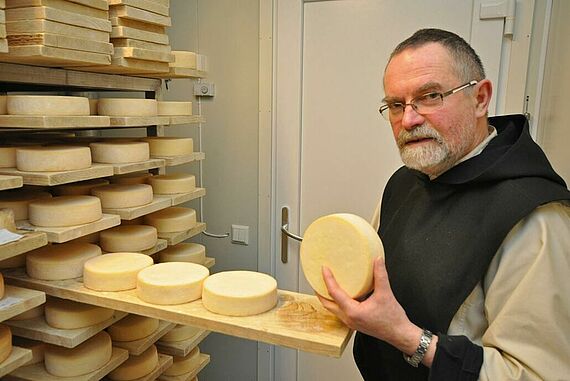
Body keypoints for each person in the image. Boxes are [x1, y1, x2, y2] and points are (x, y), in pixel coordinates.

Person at [317, 28, 570, 380]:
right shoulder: (402, 182)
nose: (408, 120)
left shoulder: (534, 217)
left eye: (431, 96)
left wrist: (406, 337)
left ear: (481, 98)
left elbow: (537, 374)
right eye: (395, 105)